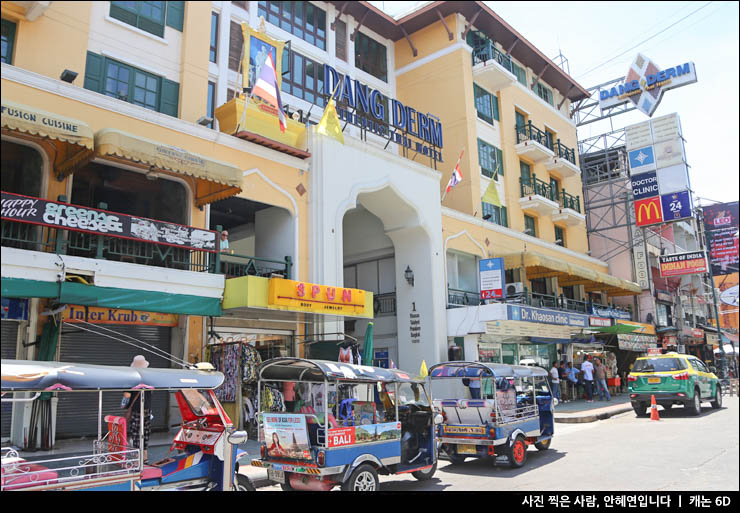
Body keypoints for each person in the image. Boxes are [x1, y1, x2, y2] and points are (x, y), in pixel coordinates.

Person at [121, 355, 152, 462]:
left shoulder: (131, 379)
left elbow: (126, 396)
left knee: (136, 433)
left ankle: (137, 458)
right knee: (145, 433)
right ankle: (145, 457)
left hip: (136, 410)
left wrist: (124, 405)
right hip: (147, 409)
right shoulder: (149, 379)